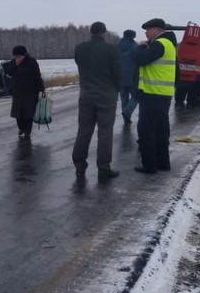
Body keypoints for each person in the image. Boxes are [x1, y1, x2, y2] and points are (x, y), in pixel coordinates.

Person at [72, 21, 122, 180]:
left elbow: (80, 65)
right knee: (105, 131)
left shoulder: (79, 48)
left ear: (90, 32)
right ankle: (103, 167)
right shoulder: (111, 50)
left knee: (84, 131)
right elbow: (118, 73)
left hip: (86, 95)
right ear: (104, 33)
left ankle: (79, 165)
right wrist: (118, 89)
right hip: (106, 95)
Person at [134, 18, 177, 174]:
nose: (146, 32)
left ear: (158, 30)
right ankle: (163, 163)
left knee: (147, 131)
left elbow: (141, 59)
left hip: (153, 94)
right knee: (160, 131)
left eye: (148, 29)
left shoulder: (160, 44)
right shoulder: (169, 45)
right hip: (163, 94)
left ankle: (150, 165)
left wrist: (140, 48)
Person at [2, 46, 45, 139]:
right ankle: (21, 127)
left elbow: (37, 76)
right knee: (18, 113)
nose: (16, 58)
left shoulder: (32, 62)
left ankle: (27, 131)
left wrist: (42, 89)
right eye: (15, 56)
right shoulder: (13, 62)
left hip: (31, 91)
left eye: (18, 56)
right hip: (17, 91)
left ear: (24, 55)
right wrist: (16, 65)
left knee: (28, 113)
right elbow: (9, 72)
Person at [118, 29, 139, 124]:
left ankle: (126, 117)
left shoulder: (116, 47)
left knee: (124, 98)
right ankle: (127, 112)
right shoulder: (135, 47)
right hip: (133, 77)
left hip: (120, 77)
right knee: (136, 97)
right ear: (133, 36)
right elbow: (139, 61)